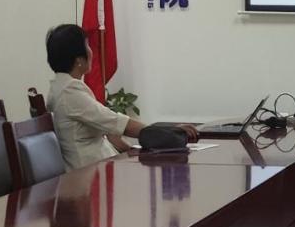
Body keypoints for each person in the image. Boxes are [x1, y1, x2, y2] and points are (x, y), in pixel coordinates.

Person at [44, 23, 198, 170]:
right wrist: (169, 132)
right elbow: (118, 123)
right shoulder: (70, 91)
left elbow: (108, 129)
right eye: (87, 45)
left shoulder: (60, 87)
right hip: (88, 174)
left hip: (97, 167)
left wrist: (133, 148)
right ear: (78, 60)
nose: (91, 51)